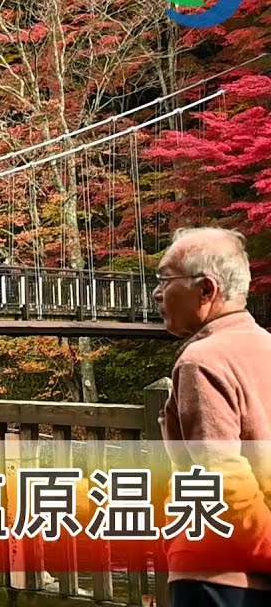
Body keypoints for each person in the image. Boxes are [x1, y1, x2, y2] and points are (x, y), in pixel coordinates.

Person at [154, 227, 271, 605]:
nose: (156, 293)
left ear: (206, 290)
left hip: (218, 575)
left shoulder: (201, 361)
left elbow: (223, 480)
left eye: (165, 280)